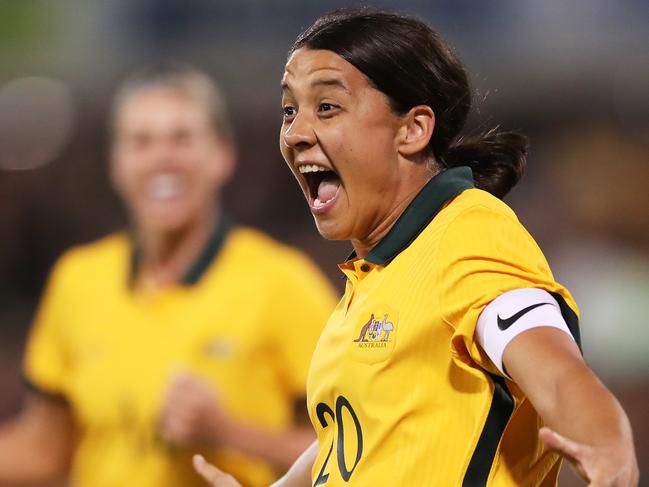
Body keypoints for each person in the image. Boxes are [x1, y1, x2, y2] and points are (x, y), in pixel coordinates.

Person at [193, 8, 639, 487]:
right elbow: (358, 438)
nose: (296, 132)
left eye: (326, 107)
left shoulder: (468, 236)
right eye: (289, 110)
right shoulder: (378, 271)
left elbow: (556, 371)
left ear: (413, 129)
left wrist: (608, 446)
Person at [0, 64, 338, 487]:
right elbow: (43, 449)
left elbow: (349, 446)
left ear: (222, 156)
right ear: (117, 163)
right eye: (141, 141)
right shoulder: (78, 280)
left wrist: (230, 433)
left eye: (182, 138)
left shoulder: (283, 283)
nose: (163, 158)